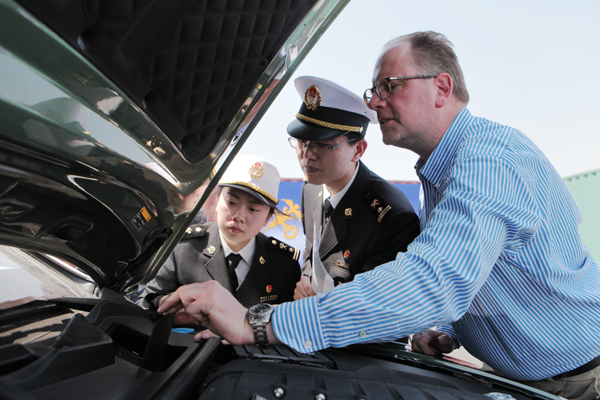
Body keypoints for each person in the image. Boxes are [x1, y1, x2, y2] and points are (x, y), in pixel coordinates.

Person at [157, 32, 600, 400]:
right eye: (375, 90)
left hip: (574, 381)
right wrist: (444, 328)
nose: (375, 102)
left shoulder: (488, 161)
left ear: (442, 87)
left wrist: (261, 323)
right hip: (519, 373)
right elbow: (486, 271)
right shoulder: (446, 168)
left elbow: (434, 281)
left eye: (390, 86)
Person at [287, 76, 420, 299]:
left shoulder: (392, 217)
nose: (307, 155)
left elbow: (378, 307)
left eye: (322, 144)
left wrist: (318, 306)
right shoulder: (311, 189)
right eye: (302, 142)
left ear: (358, 149)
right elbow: (313, 260)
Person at [137, 155, 301, 310]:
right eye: (231, 202)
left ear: (268, 218)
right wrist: (171, 302)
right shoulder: (184, 246)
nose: (238, 216)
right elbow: (147, 300)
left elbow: (288, 323)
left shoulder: (284, 264)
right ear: (216, 200)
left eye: (253, 209)